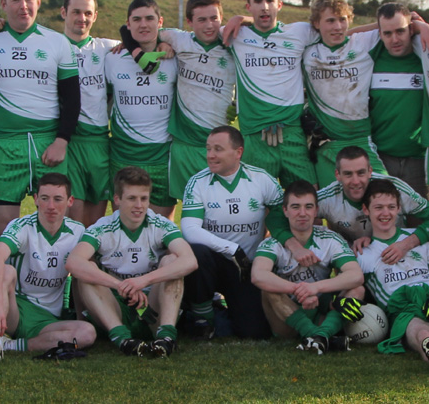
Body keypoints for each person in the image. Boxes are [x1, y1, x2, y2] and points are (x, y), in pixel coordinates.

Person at [0, 0, 80, 245]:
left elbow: (72, 99)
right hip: (3, 145)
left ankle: (56, 289)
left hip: (47, 144)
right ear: (3, 4)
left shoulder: (58, 43)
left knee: (54, 226)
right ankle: (2, 289)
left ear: (39, 0)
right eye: (15, 0)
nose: (23, 5)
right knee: (3, 230)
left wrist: (62, 140)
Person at [65, 166, 197, 358]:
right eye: (132, 198)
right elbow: (73, 262)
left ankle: (166, 337)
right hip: (114, 308)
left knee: (172, 261)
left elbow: (190, 261)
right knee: (87, 270)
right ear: (117, 200)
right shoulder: (103, 227)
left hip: (151, 309)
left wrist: (142, 282)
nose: (139, 205)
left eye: (144, 198)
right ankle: (123, 339)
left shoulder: (160, 224)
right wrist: (121, 286)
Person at [120, 0, 236, 201]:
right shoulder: (179, 39)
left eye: (214, 18)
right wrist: (132, 47)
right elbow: (132, 30)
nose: (209, 25)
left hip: (220, 145)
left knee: (224, 210)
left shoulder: (233, 43)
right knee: (190, 212)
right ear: (190, 22)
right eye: (201, 20)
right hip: (184, 144)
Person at [0, 173, 96, 365]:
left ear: (70, 201)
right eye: (44, 198)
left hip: (49, 318)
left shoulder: (78, 232)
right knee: (6, 271)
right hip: (15, 309)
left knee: (87, 333)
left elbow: (86, 273)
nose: (51, 206)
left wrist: (82, 313)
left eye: (58, 199)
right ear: (35, 199)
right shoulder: (22, 226)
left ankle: (10, 345)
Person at [181, 125, 283, 339]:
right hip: (212, 263)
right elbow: (189, 229)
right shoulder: (197, 182)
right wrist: (231, 249)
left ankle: (217, 312)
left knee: (253, 332)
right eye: (208, 149)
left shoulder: (261, 179)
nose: (210, 155)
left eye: (218, 149)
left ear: (238, 152)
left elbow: (281, 218)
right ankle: (203, 318)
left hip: (246, 269)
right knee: (196, 252)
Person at [224, 0, 318, 188]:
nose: (264, 6)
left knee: (310, 202)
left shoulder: (299, 32)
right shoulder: (235, 35)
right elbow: (192, 38)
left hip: (292, 133)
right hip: (256, 137)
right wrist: (165, 44)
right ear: (249, 6)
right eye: (258, 1)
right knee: (256, 209)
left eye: (269, 0)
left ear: (280, 5)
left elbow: (339, 32)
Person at [251, 180, 364, 354]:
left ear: (316, 211)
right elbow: (258, 275)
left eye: (308, 207)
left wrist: (315, 288)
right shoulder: (272, 243)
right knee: (268, 289)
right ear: (285, 211)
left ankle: (320, 337)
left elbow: (356, 275)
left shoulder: (330, 238)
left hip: (320, 309)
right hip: (287, 318)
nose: (302, 213)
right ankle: (317, 335)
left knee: (357, 289)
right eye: (295, 207)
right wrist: (300, 291)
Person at [278, 146, 429, 267]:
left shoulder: (394, 188)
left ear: (370, 171)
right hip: (355, 261)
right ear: (337, 175)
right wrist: (295, 247)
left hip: (397, 255)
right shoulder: (327, 198)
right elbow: (278, 215)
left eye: (361, 173)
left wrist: (406, 244)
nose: (356, 181)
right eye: (348, 174)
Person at [302, 0, 387, 188]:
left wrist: (422, 27)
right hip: (327, 144)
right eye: (330, 20)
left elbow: (392, 25)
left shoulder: (363, 43)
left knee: (384, 196)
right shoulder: (306, 50)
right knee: (333, 209)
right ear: (316, 23)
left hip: (360, 140)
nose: (338, 26)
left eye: (343, 19)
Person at [105, 0, 177, 220]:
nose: (143, 24)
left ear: (160, 21)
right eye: (136, 19)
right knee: (125, 228)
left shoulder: (175, 57)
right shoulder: (112, 58)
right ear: (128, 25)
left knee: (161, 231)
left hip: (162, 157)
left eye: (149, 18)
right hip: (123, 155)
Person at [60, 0, 120, 226]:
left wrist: (164, 45)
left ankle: (89, 262)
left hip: (100, 141)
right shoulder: (52, 45)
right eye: (76, 12)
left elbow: (146, 37)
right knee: (73, 221)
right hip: (70, 140)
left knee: (94, 226)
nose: (81, 18)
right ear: (63, 12)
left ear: (95, 16)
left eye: (87, 13)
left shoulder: (107, 48)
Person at [357, 179, 429, 361]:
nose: (385, 213)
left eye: (391, 207)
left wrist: (407, 244)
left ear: (398, 209)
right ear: (366, 210)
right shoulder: (363, 254)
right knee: (421, 332)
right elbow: (350, 287)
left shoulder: (417, 238)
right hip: (402, 310)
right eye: (378, 207)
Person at [369, 2, 426, 197]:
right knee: (384, 221)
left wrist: (422, 25)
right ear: (379, 33)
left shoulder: (424, 58)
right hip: (380, 158)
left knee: (417, 222)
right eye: (387, 33)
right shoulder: (371, 59)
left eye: (400, 31)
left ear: (411, 29)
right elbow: (345, 35)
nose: (395, 39)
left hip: (417, 158)